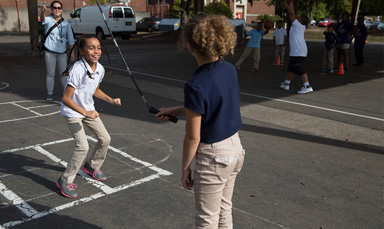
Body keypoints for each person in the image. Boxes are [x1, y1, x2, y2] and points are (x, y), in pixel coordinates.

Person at [155, 14, 245, 228]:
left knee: (206, 221)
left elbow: (193, 137)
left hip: (214, 157)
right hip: (235, 149)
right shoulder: (229, 69)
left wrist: (185, 167)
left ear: (190, 46)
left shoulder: (196, 84)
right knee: (224, 210)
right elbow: (214, 105)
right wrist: (177, 110)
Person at [57, 35, 121, 198]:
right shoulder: (77, 69)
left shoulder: (100, 69)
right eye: (91, 48)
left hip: (87, 110)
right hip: (73, 111)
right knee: (82, 146)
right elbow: (66, 98)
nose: (96, 51)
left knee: (105, 139)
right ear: (82, 51)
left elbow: (94, 90)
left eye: (98, 47)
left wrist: (111, 100)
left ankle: (92, 165)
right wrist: (85, 112)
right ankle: (65, 179)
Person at [40, 1, 75, 101]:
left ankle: (66, 93)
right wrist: (42, 12)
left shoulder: (66, 23)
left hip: (62, 53)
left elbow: (71, 39)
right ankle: (50, 93)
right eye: (55, 8)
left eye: (59, 8)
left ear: (62, 10)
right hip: (50, 52)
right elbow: (42, 19)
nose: (57, 10)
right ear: (51, 9)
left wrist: (72, 53)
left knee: (63, 73)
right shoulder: (48, 20)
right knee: (51, 73)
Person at [280, 0, 313, 94]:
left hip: (298, 51)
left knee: (299, 68)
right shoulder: (299, 25)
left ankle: (307, 85)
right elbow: (291, 12)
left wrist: (290, 2)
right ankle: (286, 83)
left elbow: (291, 13)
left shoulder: (297, 25)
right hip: (298, 50)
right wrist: (287, 5)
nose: (297, 17)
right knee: (291, 68)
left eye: (299, 17)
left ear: (301, 21)